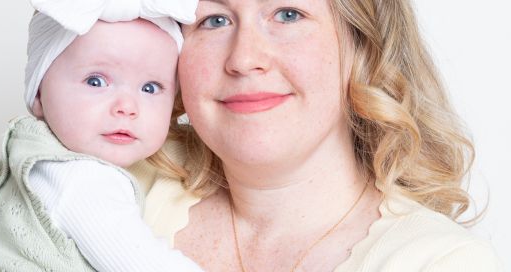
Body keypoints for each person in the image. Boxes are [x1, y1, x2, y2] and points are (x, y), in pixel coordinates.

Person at [133, 0, 504, 271]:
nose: (244, 59)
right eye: (214, 20)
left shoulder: (440, 262)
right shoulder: (110, 186)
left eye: (288, 14)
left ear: (362, 46)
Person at [0, 1, 203, 271]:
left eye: (150, 87)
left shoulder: (33, 158)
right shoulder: (79, 179)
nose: (127, 107)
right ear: (39, 94)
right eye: (96, 81)